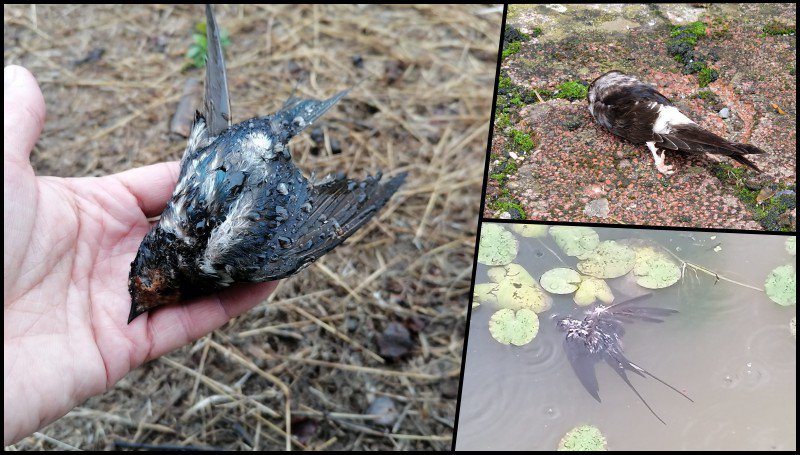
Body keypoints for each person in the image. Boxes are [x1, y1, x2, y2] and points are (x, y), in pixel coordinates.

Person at [3, 65, 277, 446]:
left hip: (218, 172)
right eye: (148, 292)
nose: (145, 295)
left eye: (145, 287)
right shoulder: (193, 258)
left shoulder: (194, 255)